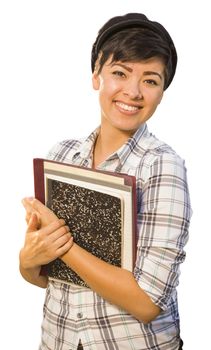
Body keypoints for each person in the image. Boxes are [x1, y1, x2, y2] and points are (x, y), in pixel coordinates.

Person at [19, 13, 192, 350]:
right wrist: (28, 260)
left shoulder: (163, 166)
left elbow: (146, 304)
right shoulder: (63, 156)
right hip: (59, 341)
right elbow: (45, 276)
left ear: (161, 92)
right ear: (96, 76)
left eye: (150, 80)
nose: (133, 91)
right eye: (119, 73)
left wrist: (63, 244)